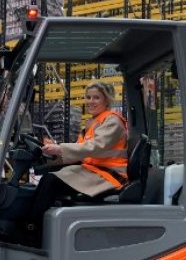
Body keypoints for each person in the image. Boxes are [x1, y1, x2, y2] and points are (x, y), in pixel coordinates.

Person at [26, 81, 129, 245]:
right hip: (93, 170)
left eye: (96, 98)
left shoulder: (112, 121)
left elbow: (94, 147)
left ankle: (32, 233)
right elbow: (80, 153)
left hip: (108, 175)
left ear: (107, 100)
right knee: (46, 175)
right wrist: (48, 155)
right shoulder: (93, 122)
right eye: (88, 97)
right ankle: (43, 231)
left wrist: (60, 149)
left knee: (50, 181)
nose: (90, 101)